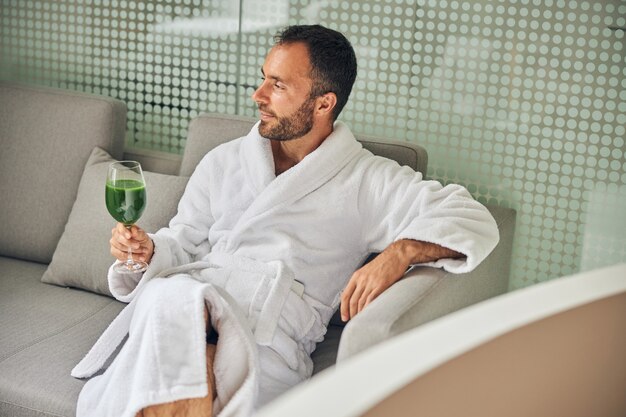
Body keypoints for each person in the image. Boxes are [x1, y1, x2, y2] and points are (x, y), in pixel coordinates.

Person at [73, 25, 499, 417]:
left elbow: (471, 218)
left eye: (277, 85)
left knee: (173, 332)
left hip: (267, 339)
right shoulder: (224, 161)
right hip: (185, 307)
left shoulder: (366, 179)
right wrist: (149, 252)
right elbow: (182, 243)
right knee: (173, 298)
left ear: (323, 103)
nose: (257, 95)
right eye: (263, 77)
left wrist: (400, 251)